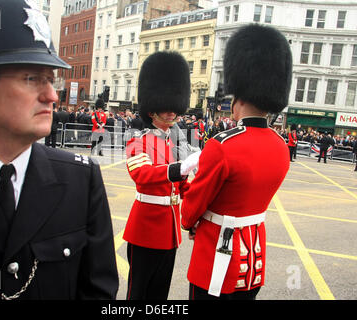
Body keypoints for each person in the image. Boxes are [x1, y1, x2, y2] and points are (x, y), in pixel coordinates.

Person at [0, 0, 118, 300]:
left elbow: (98, 292)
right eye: (32, 78)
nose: (50, 95)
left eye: (50, 79)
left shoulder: (81, 181)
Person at [181, 24, 292, 300]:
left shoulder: (223, 145)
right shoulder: (281, 146)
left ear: (237, 99)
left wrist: (193, 222)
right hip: (252, 260)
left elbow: (190, 210)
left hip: (217, 258)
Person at [123, 51, 200, 300]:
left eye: (173, 108)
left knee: (159, 294)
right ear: (152, 109)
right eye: (165, 108)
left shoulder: (174, 142)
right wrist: (179, 169)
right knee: (139, 294)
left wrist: (194, 216)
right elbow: (143, 175)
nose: (171, 113)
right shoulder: (139, 141)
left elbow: (183, 186)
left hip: (170, 230)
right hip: (145, 229)